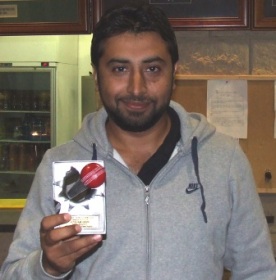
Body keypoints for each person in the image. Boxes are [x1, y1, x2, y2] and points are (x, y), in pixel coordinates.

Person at [1, 3, 276, 280]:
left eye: (152, 69)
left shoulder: (223, 159)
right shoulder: (61, 164)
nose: (136, 87)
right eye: (120, 69)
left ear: (174, 72)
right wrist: (47, 267)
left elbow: (258, 270)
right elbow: (11, 273)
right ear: (97, 75)